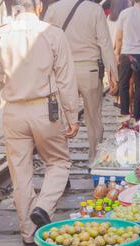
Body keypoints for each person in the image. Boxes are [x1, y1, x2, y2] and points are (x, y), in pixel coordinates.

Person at [0, 0, 80, 246]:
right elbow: (66, 79)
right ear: (38, 7)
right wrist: (72, 115)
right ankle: (43, 206)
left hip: (13, 112)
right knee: (59, 162)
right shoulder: (52, 33)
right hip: (45, 110)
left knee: (21, 173)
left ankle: (28, 233)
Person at [45, 0, 118, 165]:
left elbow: (45, 42)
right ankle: (95, 160)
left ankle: (60, 165)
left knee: (60, 120)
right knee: (94, 120)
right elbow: (105, 43)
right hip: (89, 70)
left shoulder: (53, 10)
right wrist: (112, 73)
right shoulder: (95, 9)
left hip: (62, 72)